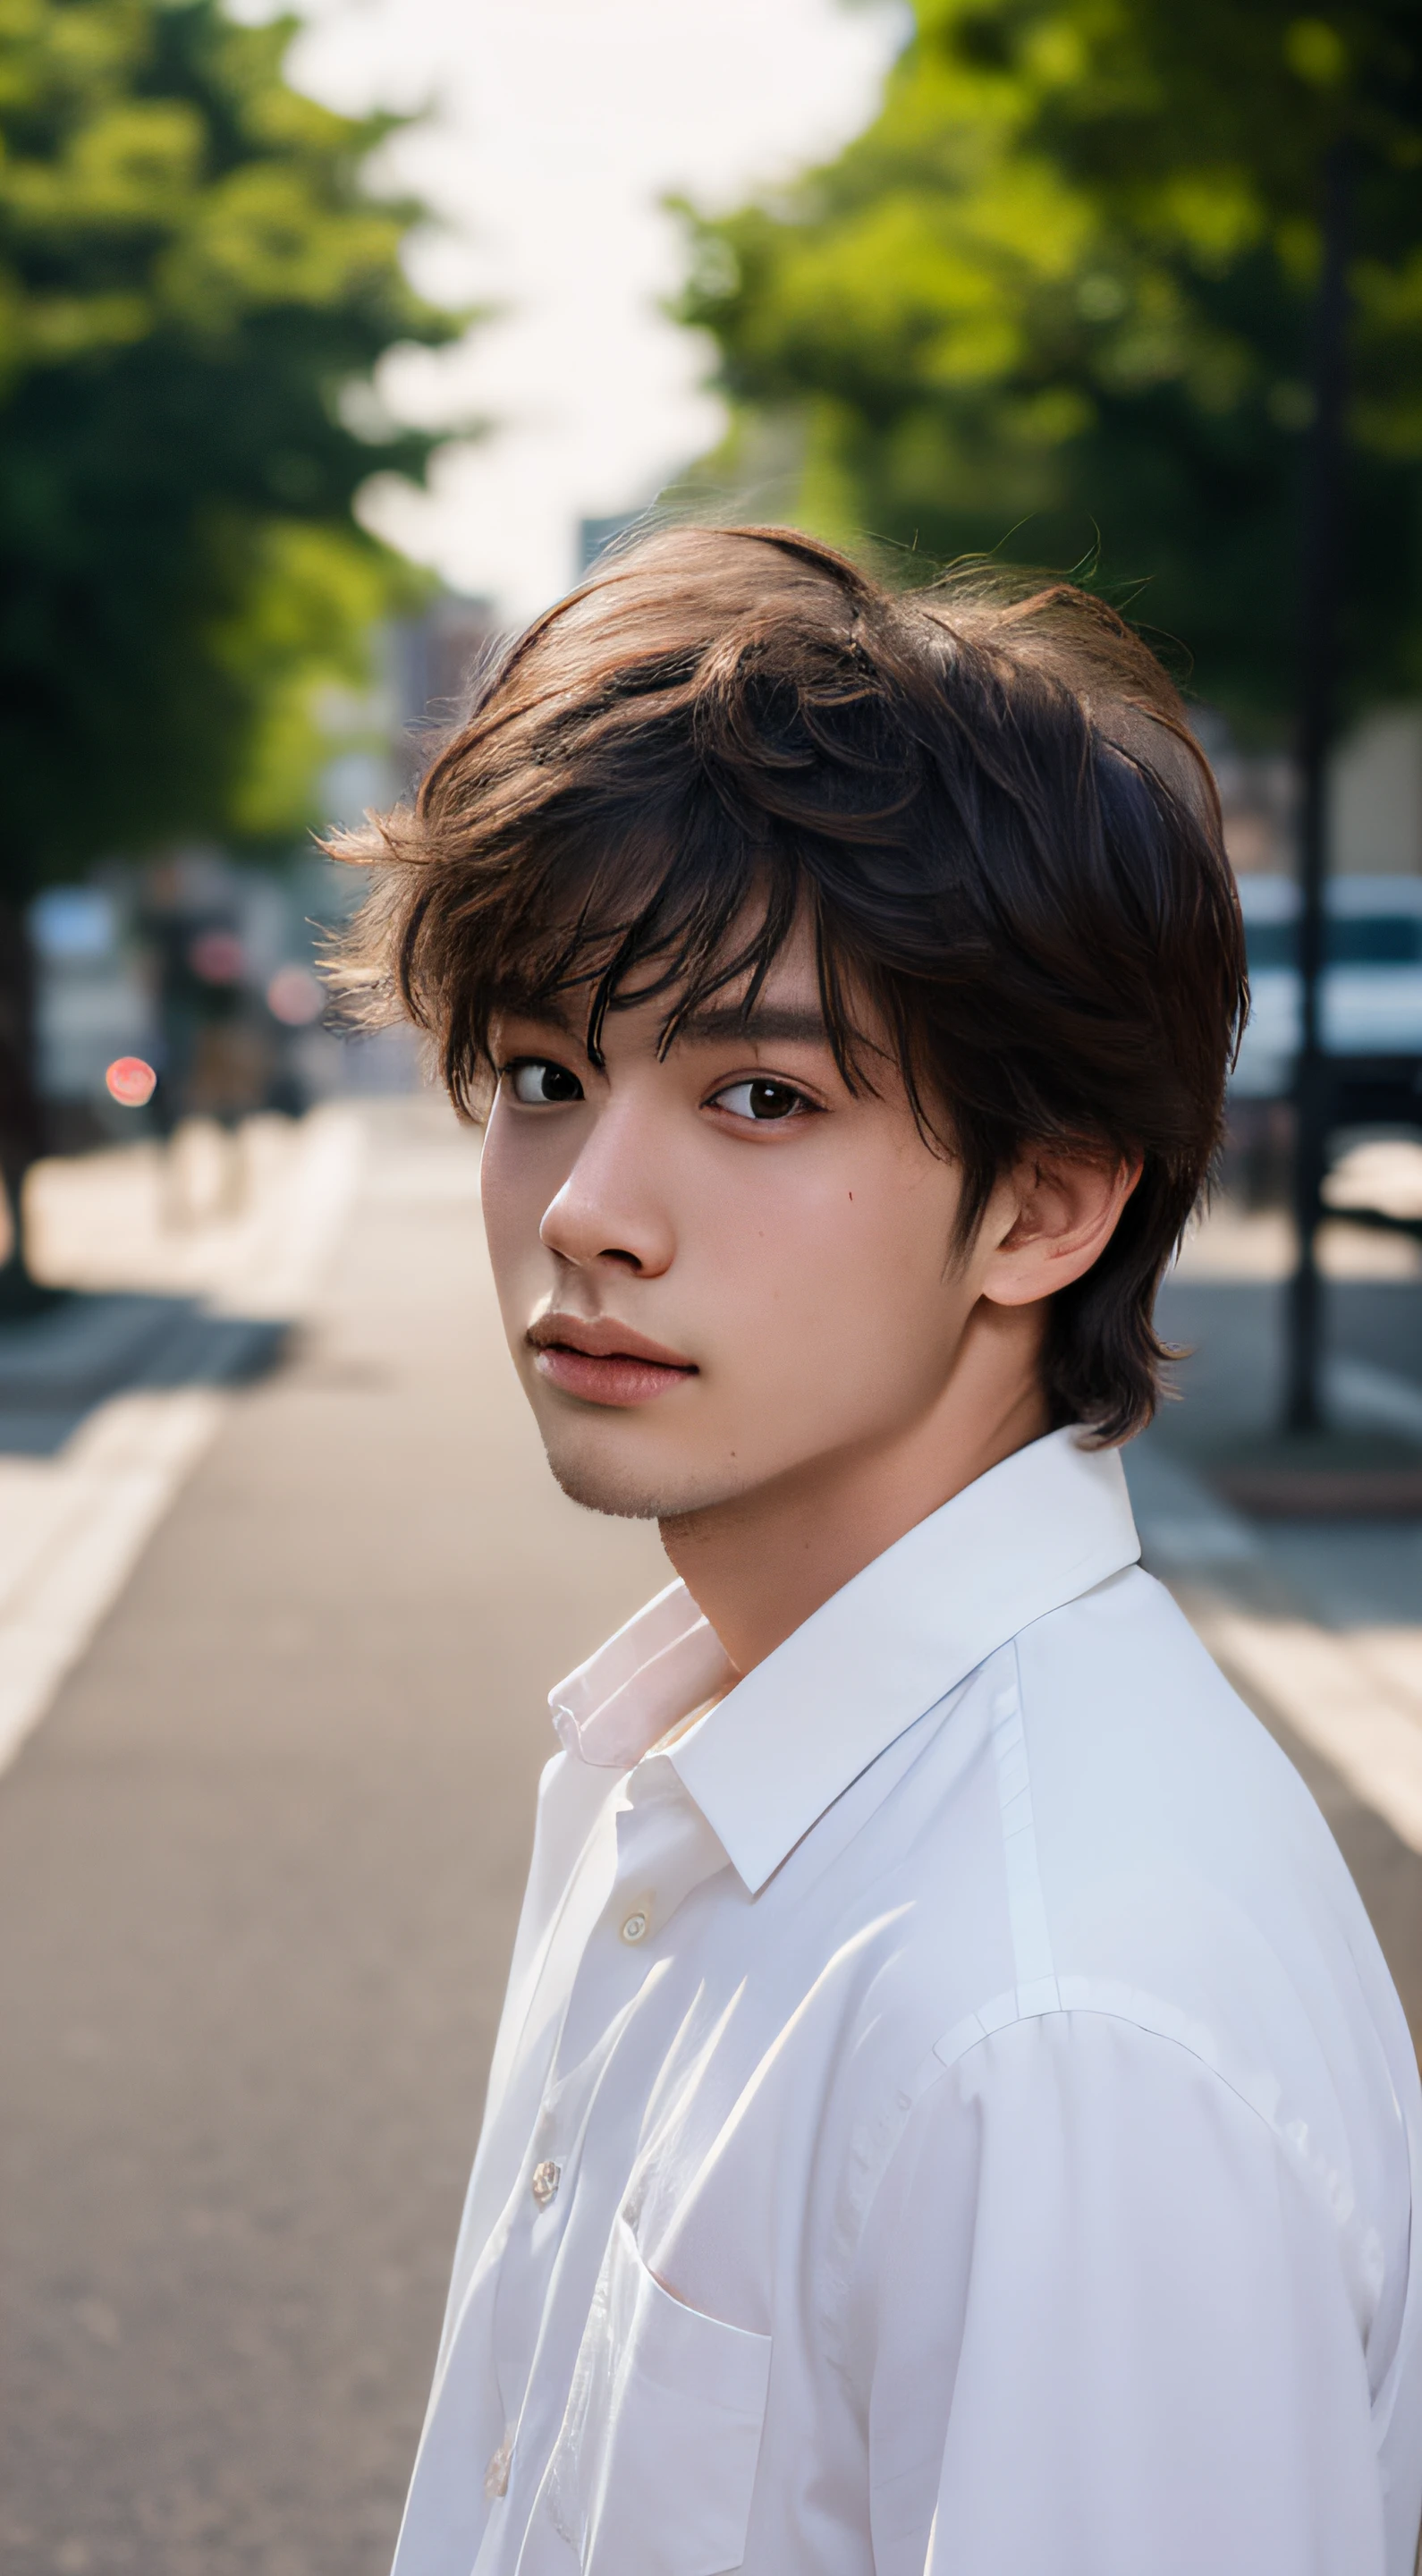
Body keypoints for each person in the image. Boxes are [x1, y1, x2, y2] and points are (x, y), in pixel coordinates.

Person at [334, 526, 1422, 2575]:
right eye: (547, 1077)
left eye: (759, 1091)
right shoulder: (689, 1767)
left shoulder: (1060, 2016)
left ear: (1046, 1206)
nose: (586, 1207)